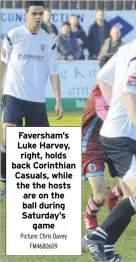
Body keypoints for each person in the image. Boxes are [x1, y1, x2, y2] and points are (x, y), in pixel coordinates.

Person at [81, 1, 136, 261]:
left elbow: (104, 79)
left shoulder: (128, 48)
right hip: (122, 137)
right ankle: (96, 239)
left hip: (116, 132)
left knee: (132, 196)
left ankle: (105, 249)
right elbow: (129, 93)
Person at [0, 0, 63, 201]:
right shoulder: (13, 36)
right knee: (9, 137)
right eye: (34, 13)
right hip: (13, 96)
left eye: (41, 14)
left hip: (36, 101)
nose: (38, 17)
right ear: (25, 14)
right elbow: (3, 62)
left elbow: (54, 73)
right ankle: (4, 183)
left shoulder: (49, 41)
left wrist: (58, 100)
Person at [81, 53, 123, 232]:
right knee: (99, 194)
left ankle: (113, 196)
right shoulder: (98, 94)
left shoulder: (120, 89)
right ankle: (90, 216)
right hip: (92, 146)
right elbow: (107, 115)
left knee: (135, 183)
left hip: (111, 142)